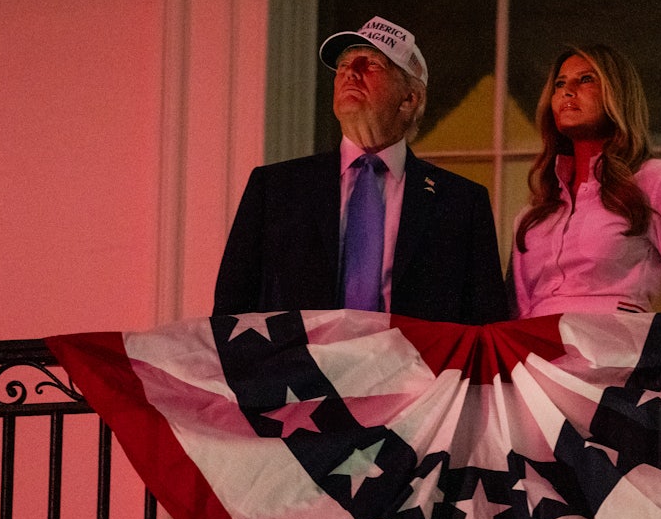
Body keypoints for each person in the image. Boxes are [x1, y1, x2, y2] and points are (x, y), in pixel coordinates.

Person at [214, 16, 508, 324]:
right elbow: (230, 312)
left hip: (417, 370)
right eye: (343, 66)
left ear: (409, 98)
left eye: (371, 65)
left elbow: (486, 325)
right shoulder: (275, 188)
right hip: (296, 369)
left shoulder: (461, 203)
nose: (350, 74)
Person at [509, 44, 661, 319]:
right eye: (559, 84)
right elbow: (511, 316)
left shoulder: (658, 180)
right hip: (532, 354)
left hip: (619, 351)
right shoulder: (531, 216)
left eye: (586, 79)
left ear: (618, 94)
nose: (568, 91)